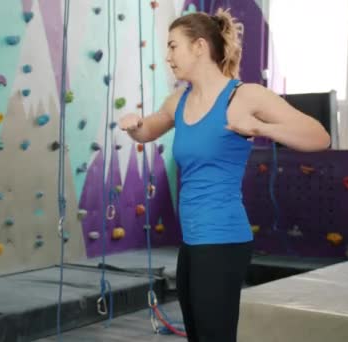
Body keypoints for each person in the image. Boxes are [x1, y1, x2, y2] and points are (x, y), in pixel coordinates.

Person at [118, 8, 330, 342]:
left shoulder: (243, 96)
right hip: (192, 242)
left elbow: (319, 136)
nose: (168, 56)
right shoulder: (179, 102)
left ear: (199, 46)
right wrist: (133, 125)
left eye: (174, 46)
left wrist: (260, 127)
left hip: (222, 239)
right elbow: (146, 132)